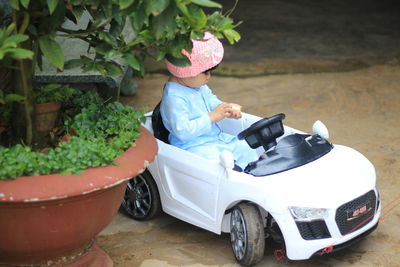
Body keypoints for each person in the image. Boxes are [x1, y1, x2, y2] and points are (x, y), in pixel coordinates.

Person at [160, 32, 259, 170]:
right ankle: (232, 173)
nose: (209, 77)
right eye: (205, 72)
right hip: (191, 147)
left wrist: (226, 108)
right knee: (212, 163)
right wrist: (211, 117)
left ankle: (250, 170)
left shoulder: (197, 86)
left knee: (244, 146)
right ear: (186, 70)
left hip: (214, 139)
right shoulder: (174, 98)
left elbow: (212, 100)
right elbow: (182, 131)